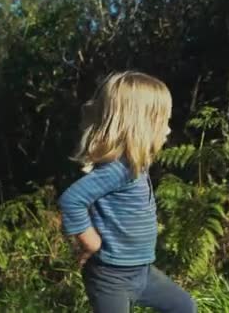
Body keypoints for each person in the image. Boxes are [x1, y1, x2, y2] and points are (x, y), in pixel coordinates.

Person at [58, 71, 197, 313]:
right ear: (141, 125)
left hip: (142, 273)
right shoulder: (118, 169)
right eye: (163, 122)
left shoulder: (134, 165)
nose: (167, 130)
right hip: (111, 278)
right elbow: (72, 200)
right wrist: (90, 243)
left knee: (184, 306)